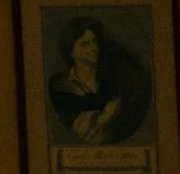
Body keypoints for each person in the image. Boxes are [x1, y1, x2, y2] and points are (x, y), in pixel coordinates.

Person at [47, 14, 152, 150]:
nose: (93, 48)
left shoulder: (114, 80)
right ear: (72, 52)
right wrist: (104, 118)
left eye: (94, 42)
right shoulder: (61, 86)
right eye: (85, 44)